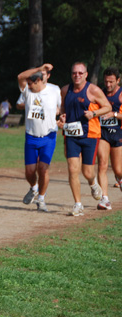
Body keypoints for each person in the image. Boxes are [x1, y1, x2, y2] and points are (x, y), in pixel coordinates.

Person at [57, 62, 111, 216]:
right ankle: (78, 204)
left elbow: (107, 107)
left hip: (90, 135)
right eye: (75, 73)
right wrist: (62, 116)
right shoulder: (65, 90)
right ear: (71, 74)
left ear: (86, 74)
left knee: (87, 172)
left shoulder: (93, 90)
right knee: (73, 169)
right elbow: (62, 108)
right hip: (71, 135)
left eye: (80, 73)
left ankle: (93, 183)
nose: (77, 75)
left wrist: (94, 114)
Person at [17, 64, 61, 212]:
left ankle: (41, 199)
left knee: (43, 169)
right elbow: (20, 77)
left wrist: (61, 117)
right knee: (29, 172)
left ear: (38, 81)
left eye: (30, 83)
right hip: (31, 136)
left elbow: (61, 108)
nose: (27, 86)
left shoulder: (54, 90)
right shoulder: (28, 92)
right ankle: (34, 188)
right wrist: (39, 68)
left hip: (48, 136)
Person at [96, 67, 122, 210]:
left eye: (111, 82)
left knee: (118, 169)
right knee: (102, 164)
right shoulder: (100, 93)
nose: (108, 85)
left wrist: (115, 115)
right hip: (103, 133)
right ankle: (104, 199)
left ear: (118, 80)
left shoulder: (120, 95)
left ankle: (120, 178)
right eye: (106, 81)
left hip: (118, 134)